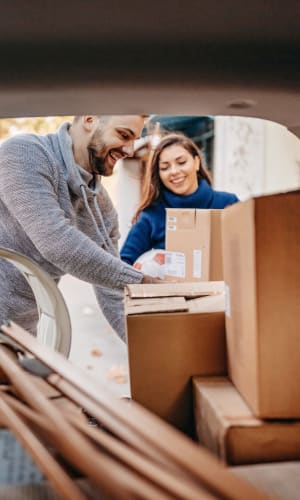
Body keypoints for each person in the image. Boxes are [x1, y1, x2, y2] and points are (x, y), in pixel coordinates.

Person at [0, 115, 160, 343]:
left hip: (19, 334)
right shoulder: (24, 153)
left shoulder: (102, 209)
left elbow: (112, 291)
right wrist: (143, 282)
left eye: (134, 140)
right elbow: (56, 242)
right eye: (124, 135)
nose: (129, 150)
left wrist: (151, 352)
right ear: (89, 119)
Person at [121, 132, 239, 265]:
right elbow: (123, 264)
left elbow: (247, 251)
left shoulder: (228, 204)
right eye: (165, 167)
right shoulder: (151, 215)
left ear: (196, 162)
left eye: (181, 162)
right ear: (159, 174)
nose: (174, 171)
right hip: (169, 286)